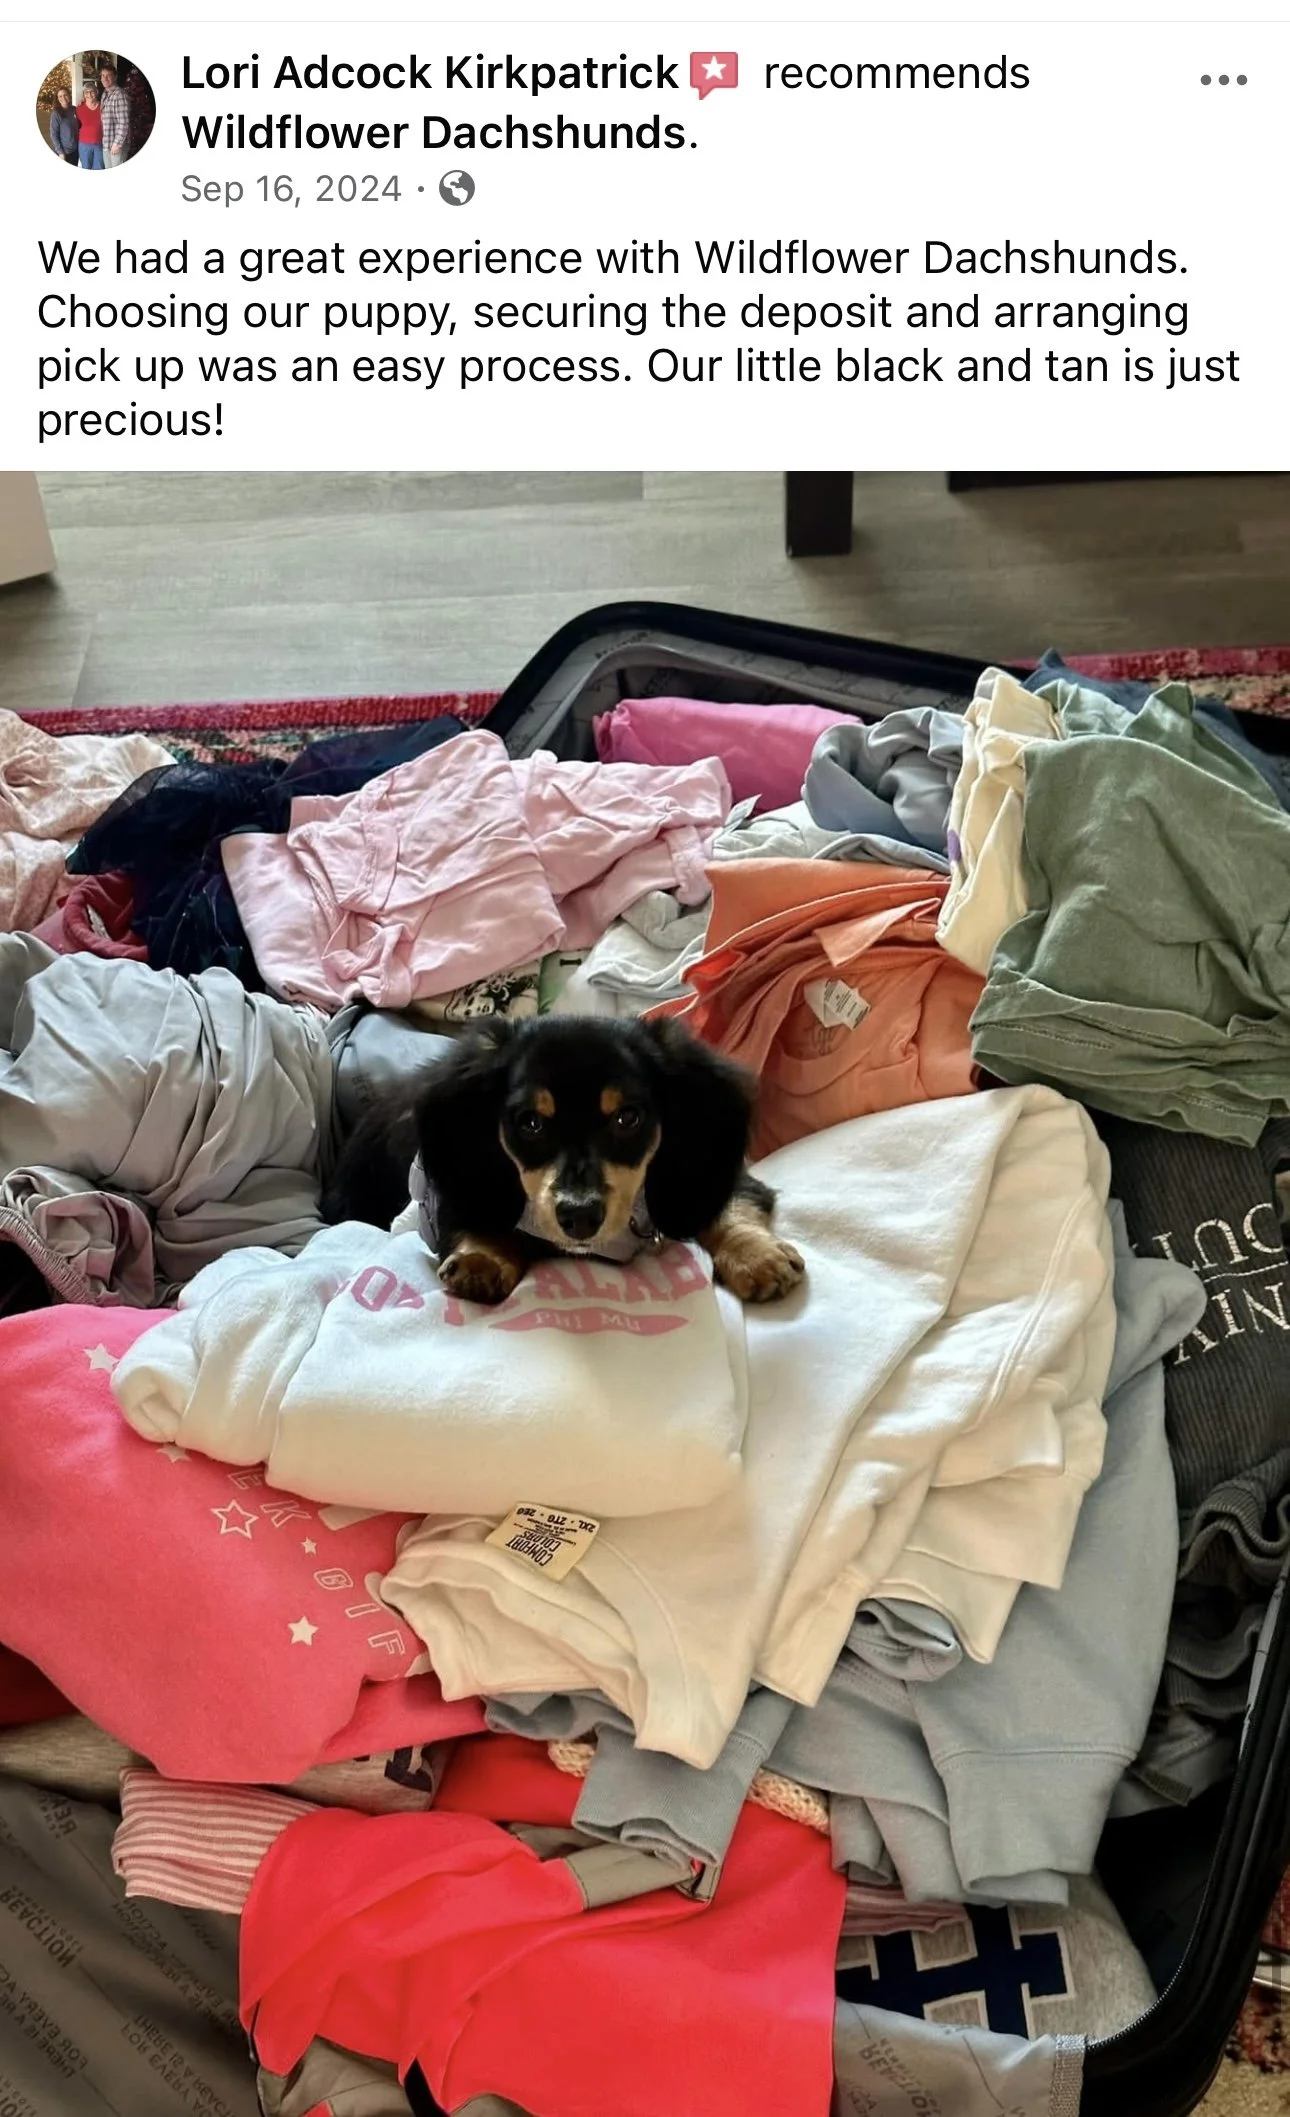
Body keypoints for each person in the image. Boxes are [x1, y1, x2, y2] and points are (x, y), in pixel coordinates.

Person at [98, 64, 130, 168]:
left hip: (116, 145)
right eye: (103, 75)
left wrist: (117, 144)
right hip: (107, 143)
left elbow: (123, 122)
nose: (104, 78)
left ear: (115, 77)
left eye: (108, 75)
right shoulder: (105, 94)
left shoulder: (119, 95)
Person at [75, 84, 104, 169]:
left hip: (100, 144)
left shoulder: (103, 106)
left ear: (97, 92)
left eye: (92, 91)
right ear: (84, 94)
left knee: (99, 168)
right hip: (84, 145)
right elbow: (77, 125)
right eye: (86, 92)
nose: (89, 94)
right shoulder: (79, 108)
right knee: (86, 167)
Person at [48, 86, 79, 164]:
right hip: (64, 152)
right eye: (60, 96)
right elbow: (54, 134)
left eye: (65, 95)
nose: (63, 98)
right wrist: (60, 152)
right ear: (57, 99)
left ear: (69, 95)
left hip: (76, 150)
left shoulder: (74, 109)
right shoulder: (56, 114)